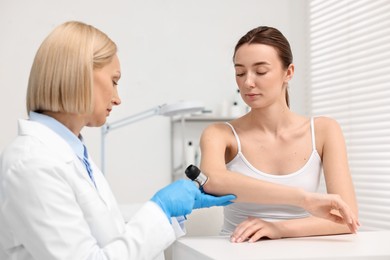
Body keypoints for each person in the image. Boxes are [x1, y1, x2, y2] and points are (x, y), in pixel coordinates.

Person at [0, 21, 236, 260]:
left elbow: (109, 235)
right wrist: (160, 209)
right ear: (79, 75)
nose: (117, 98)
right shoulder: (32, 162)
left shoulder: (71, 152)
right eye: (114, 81)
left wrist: (172, 212)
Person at [199, 26, 359, 243]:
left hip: (299, 251)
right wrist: (304, 199)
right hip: (235, 249)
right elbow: (212, 181)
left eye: (261, 71)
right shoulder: (220, 134)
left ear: (289, 72)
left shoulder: (324, 130)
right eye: (240, 72)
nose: (248, 82)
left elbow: (346, 218)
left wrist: (278, 228)